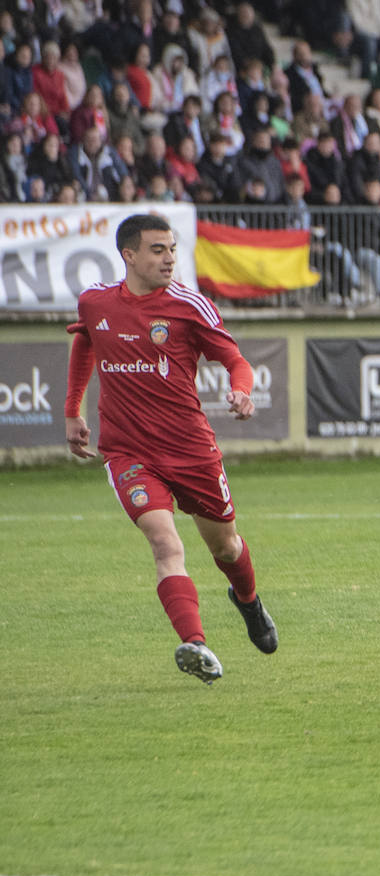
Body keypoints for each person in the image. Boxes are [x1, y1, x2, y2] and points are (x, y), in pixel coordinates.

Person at [63, 214, 276, 685]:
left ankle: (248, 601)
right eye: (158, 249)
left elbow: (235, 360)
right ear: (129, 255)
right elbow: (86, 342)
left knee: (225, 546)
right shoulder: (95, 301)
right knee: (165, 543)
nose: (169, 258)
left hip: (192, 450)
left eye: (172, 249)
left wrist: (242, 390)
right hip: (127, 451)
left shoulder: (189, 306)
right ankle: (196, 644)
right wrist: (72, 407)